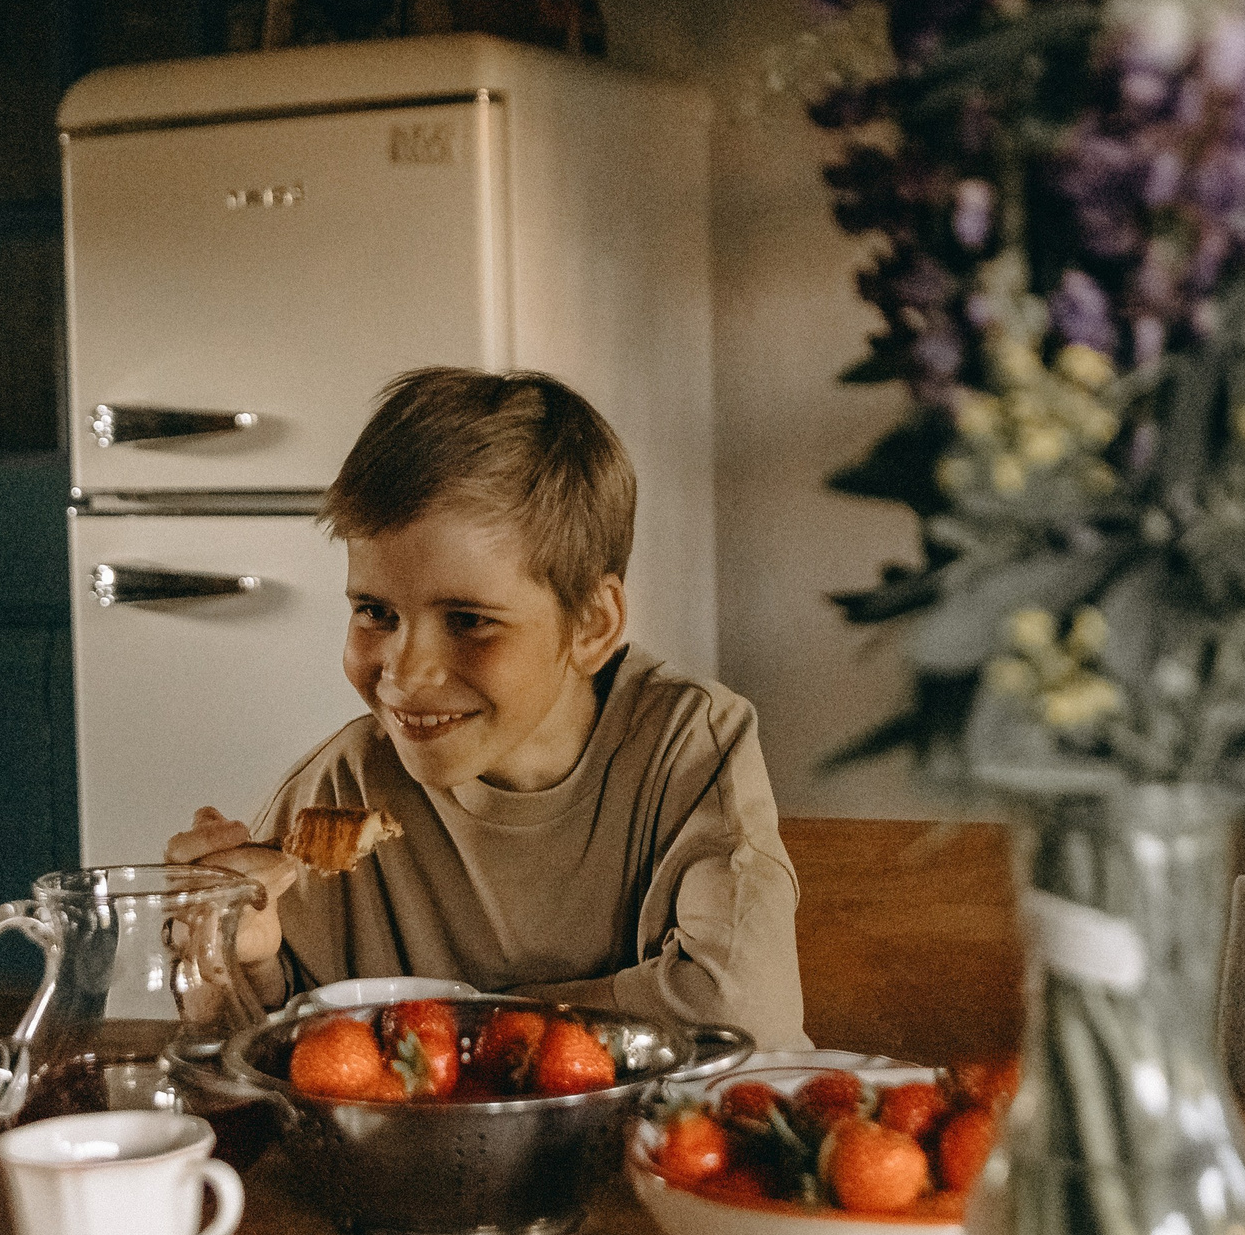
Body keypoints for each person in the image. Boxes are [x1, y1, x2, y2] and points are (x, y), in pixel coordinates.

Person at [169, 368, 807, 1054]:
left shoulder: (687, 746)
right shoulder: (338, 789)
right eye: (375, 611)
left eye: (469, 620)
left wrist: (453, 1029)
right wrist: (228, 958)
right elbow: (246, 1055)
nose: (406, 673)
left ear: (592, 625)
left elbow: (742, 1014)